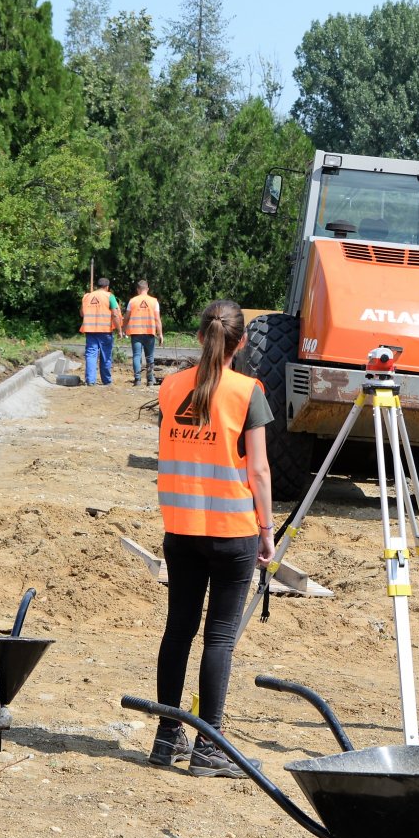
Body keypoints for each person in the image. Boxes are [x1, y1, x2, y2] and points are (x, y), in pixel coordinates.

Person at [148, 299, 275, 777]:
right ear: (239, 343)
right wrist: (266, 531)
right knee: (219, 638)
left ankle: (166, 739)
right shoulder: (248, 391)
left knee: (178, 629)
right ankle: (208, 747)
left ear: (201, 337)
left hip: (181, 529)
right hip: (232, 532)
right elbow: (258, 470)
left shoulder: (169, 387)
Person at [80, 277, 121, 385]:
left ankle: (90, 381)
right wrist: (119, 330)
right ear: (107, 287)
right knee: (105, 356)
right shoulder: (109, 296)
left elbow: (82, 313)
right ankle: (106, 381)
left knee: (91, 355)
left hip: (90, 331)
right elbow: (115, 314)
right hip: (105, 331)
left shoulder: (87, 296)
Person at [124, 280, 164, 387]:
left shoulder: (132, 301)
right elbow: (157, 320)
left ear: (138, 289)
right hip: (150, 333)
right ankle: (150, 381)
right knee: (150, 357)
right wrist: (160, 334)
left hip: (136, 333)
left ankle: (137, 380)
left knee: (137, 356)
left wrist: (124, 329)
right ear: (147, 289)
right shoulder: (154, 301)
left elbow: (126, 317)